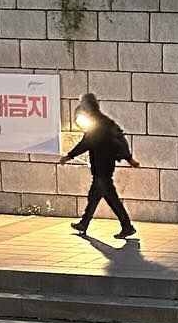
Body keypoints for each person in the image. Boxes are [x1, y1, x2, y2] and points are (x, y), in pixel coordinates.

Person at [58, 92, 139, 238]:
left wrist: (68, 156)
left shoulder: (97, 123)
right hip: (104, 166)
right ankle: (84, 223)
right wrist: (128, 158)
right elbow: (119, 138)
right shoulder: (105, 121)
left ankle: (126, 226)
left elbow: (86, 143)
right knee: (94, 196)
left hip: (102, 167)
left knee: (111, 199)